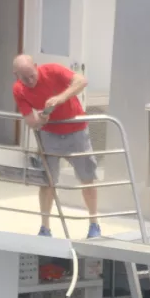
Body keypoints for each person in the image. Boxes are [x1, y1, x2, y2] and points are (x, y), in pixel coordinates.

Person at [12, 54, 100, 239]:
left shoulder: (52, 70)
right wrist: (42, 119)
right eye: (24, 78)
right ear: (16, 75)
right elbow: (31, 121)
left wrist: (60, 98)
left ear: (36, 67)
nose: (29, 81)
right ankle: (45, 228)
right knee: (47, 182)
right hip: (50, 134)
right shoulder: (19, 90)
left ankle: (94, 224)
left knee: (87, 178)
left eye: (32, 75)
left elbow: (81, 81)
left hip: (76, 130)